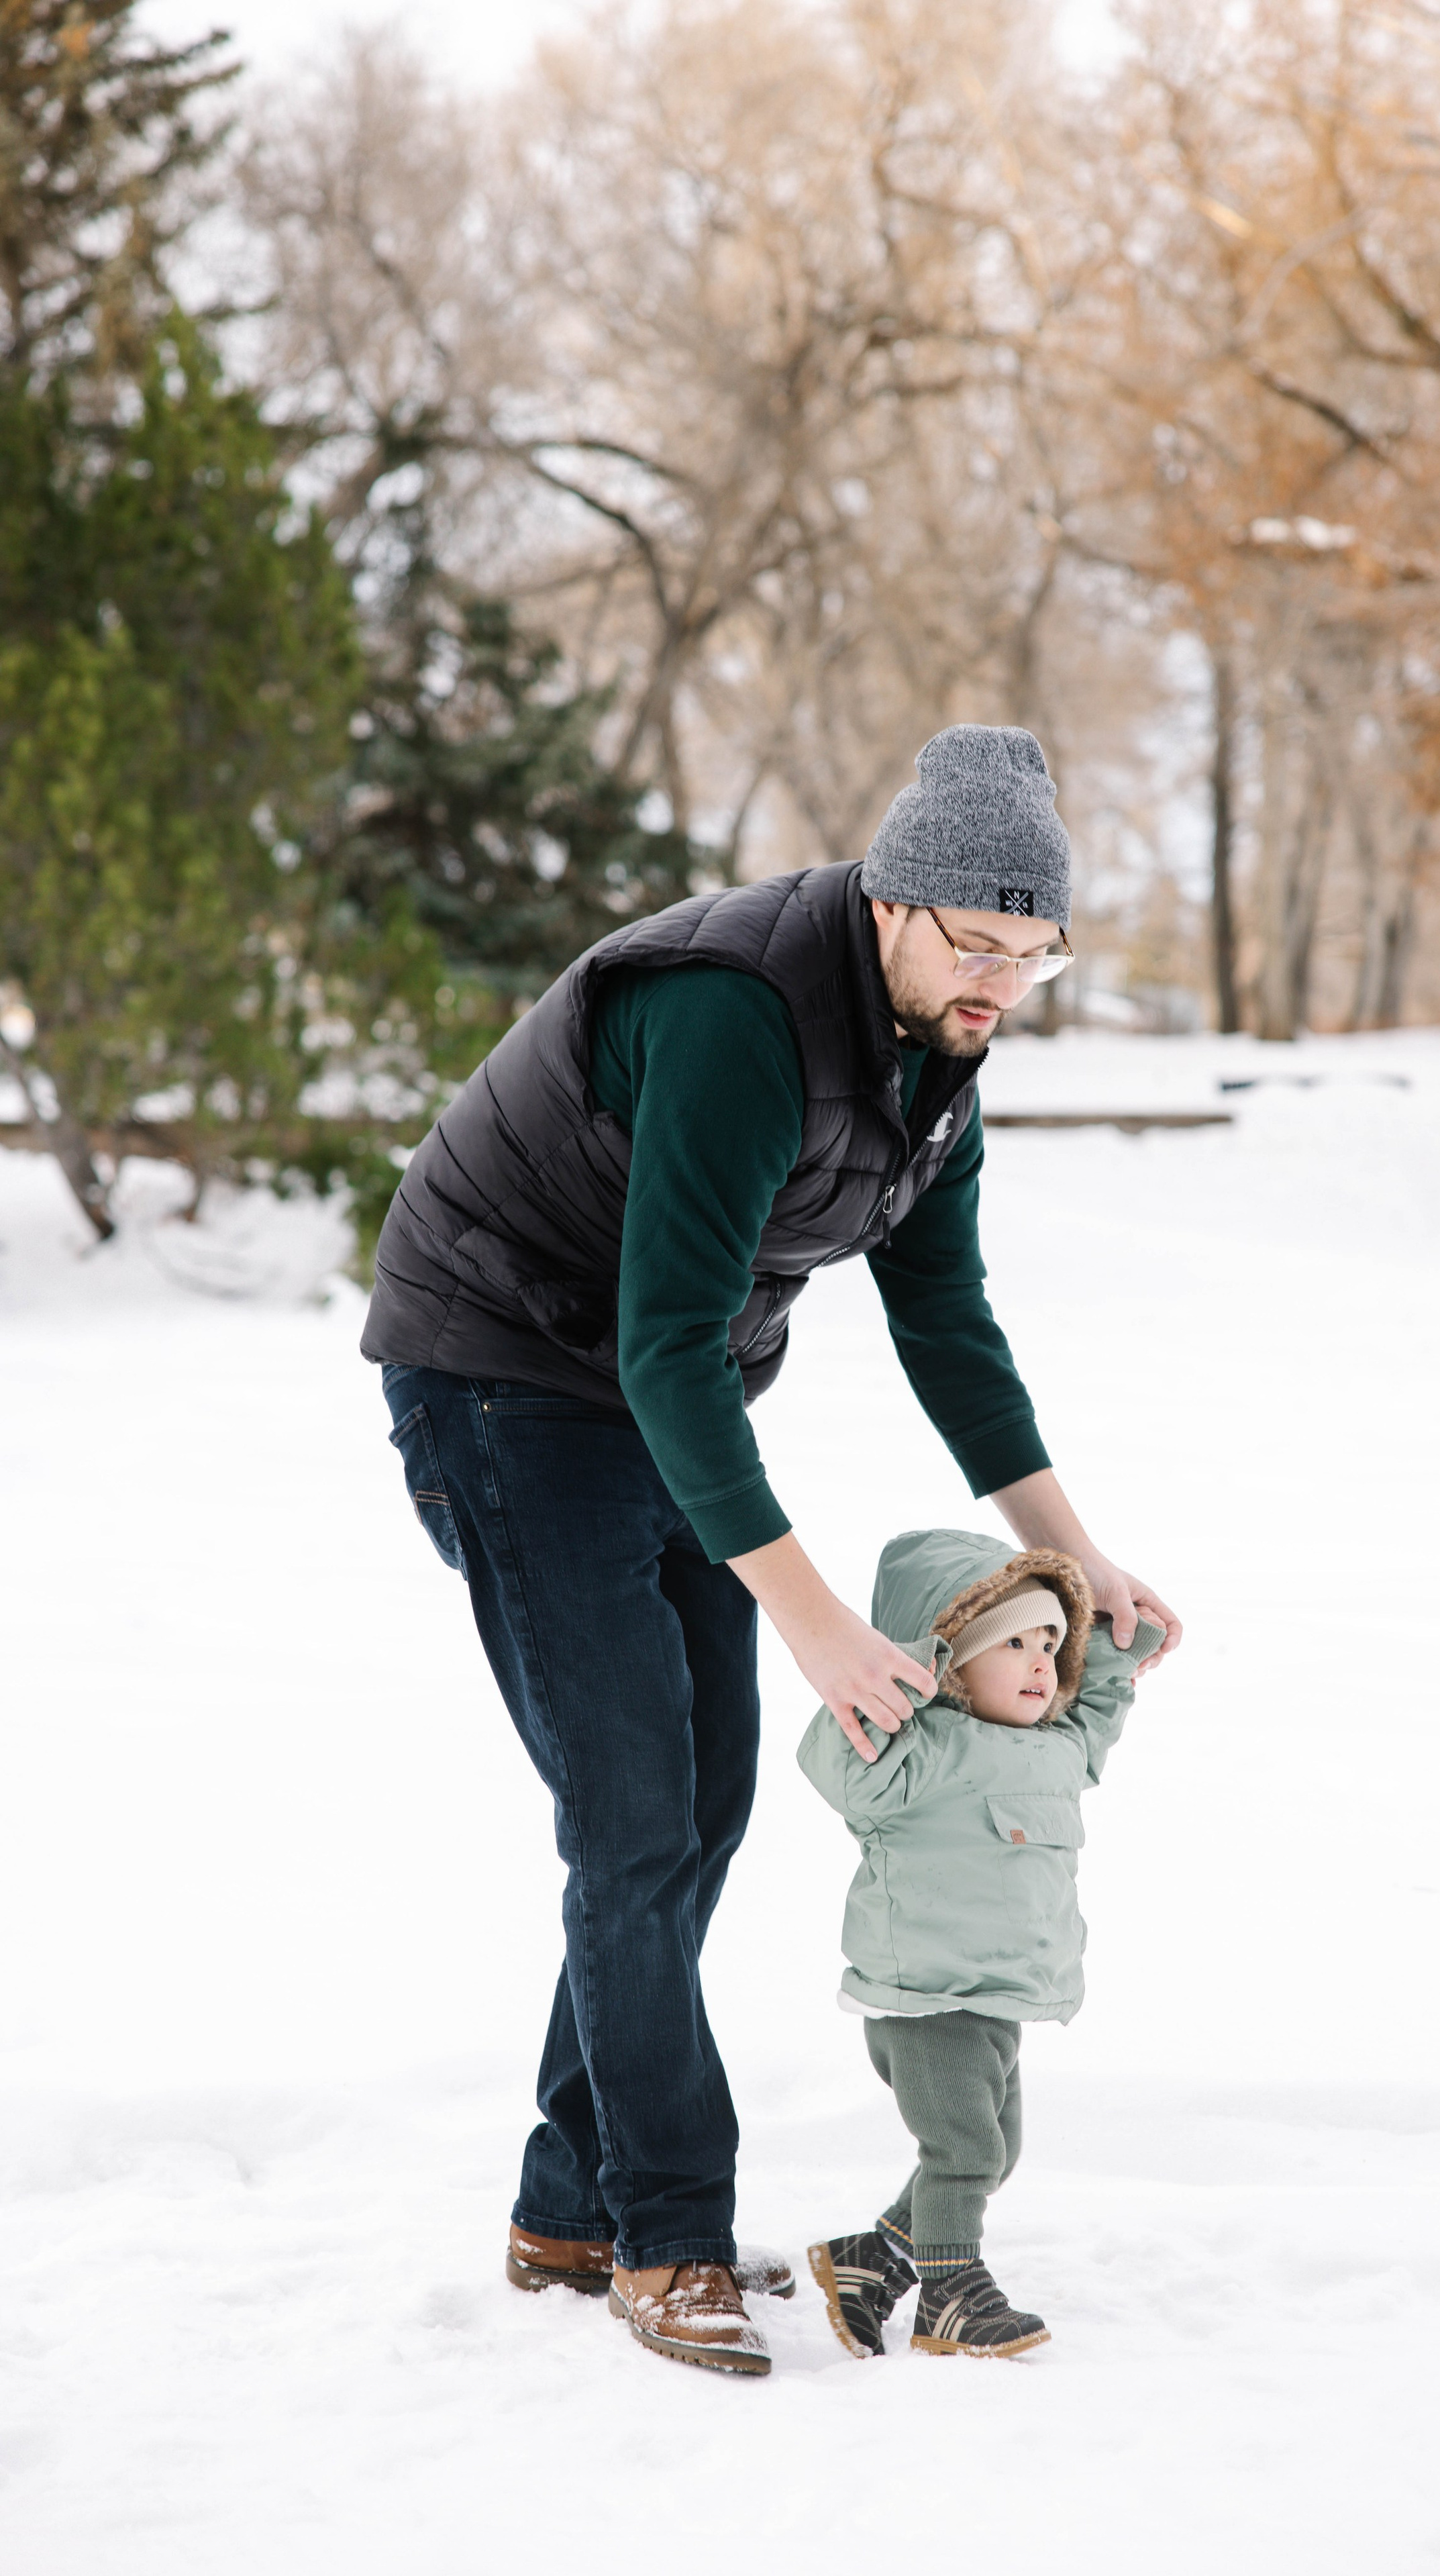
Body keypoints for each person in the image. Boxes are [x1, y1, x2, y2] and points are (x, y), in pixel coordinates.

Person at [361, 723, 1182, 2379]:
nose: (1001, 984)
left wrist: (1072, 1555)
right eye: (976, 942)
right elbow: (665, 1336)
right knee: (633, 1818)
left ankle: (566, 2207)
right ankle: (663, 2232)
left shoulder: (936, 1052)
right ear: (888, 899)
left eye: (1033, 954)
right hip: (503, 1376)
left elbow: (945, 1321)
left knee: (701, 1806)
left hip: (665, 1396)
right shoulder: (735, 1012)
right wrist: (810, 1617)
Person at [800, 1530, 1162, 2361]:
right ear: (953, 1662)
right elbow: (840, 1765)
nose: (1041, 1663)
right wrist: (902, 1675)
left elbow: (1100, 1704)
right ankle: (951, 2293)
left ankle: (873, 2259)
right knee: (963, 2150)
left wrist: (1122, 1636)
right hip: (928, 1995)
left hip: (997, 1993)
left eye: (1050, 1645)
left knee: (994, 2151)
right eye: (1013, 1644)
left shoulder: (1057, 1749)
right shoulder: (917, 1749)